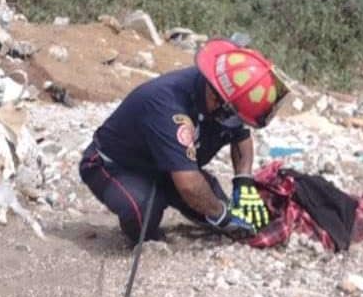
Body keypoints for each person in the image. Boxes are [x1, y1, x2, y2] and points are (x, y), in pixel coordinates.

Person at [80, 38, 288, 244]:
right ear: (216, 99)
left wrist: (243, 180)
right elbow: (189, 185)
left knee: (218, 209)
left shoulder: (224, 97)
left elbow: (241, 136)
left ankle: (172, 190)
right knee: (143, 214)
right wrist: (222, 216)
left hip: (168, 167)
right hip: (115, 164)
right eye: (233, 116)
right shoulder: (166, 104)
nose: (235, 122)